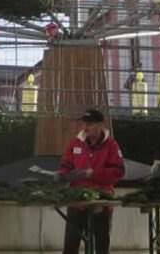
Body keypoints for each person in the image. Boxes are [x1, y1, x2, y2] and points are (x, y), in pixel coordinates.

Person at [57, 108, 125, 254]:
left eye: (89, 124)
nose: (85, 127)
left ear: (100, 125)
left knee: (102, 245)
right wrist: (61, 176)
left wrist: (93, 174)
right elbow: (65, 166)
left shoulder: (111, 145)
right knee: (70, 244)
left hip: (102, 199)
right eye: (83, 123)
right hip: (77, 200)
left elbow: (118, 171)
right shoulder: (75, 143)